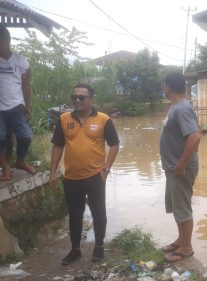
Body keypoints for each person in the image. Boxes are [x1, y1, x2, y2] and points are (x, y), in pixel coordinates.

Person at [49, 83, 120, 265]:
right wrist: (53, 173)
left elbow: (114, 144)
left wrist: (106, 169)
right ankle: (75, 250)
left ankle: (98, 246)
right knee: (75, 215)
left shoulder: (103, 119)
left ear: (91, 99)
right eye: (74, 97)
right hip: (71, 177)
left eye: (82, 97)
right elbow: (58, 146)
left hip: (95, 176)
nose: (77, 100)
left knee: (99, 212)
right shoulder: (64, 119)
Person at [160, 73, 201, 263]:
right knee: (177, 207)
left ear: (168, 87)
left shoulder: (182, 108)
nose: (163, 88)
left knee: (183, 208)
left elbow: (194, 137)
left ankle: (186, 248)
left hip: (180, 168)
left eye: (164, 85)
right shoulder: (175, 107)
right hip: (174, 167)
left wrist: (181, 165)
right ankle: (181, 240)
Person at [0, 25, 36, 180]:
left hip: (17, 107)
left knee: (26, 136)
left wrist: (28, 107)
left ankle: (20, 160)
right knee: (0, 136)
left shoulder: (21, 62)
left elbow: (26, 86)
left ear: (8, 40)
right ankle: (5, 167)